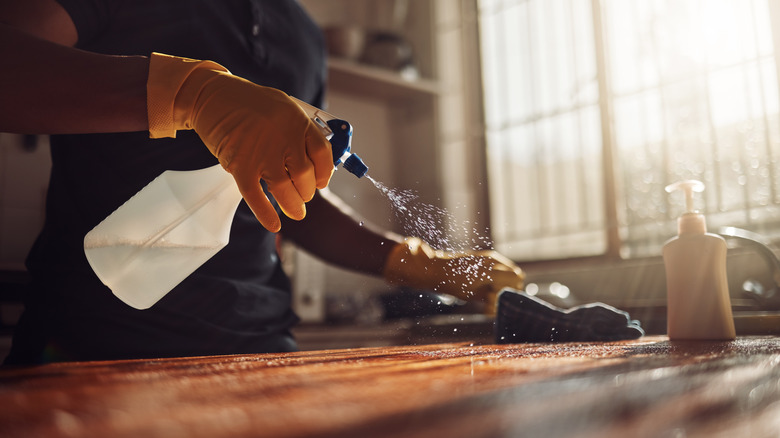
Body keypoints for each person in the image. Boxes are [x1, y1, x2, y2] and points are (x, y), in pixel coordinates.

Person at [0, 0, 524, 365]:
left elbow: (293, 195)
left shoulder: (302, 33)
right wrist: (188, 93)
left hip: (260, 346)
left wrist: (418, 263)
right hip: (92, 345)